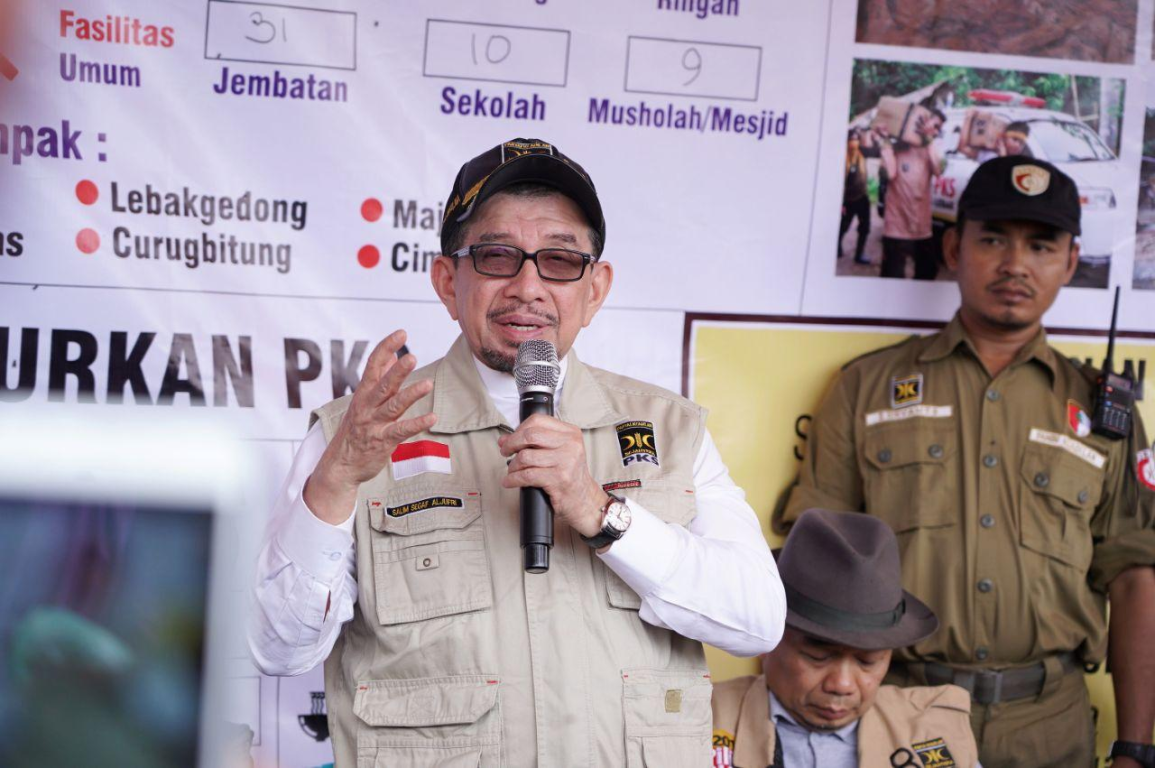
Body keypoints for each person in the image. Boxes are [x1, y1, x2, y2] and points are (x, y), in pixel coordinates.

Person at [248, 137, 787, 766]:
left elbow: (757, 621)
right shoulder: (357, 436)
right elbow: (278, 650)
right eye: (498, 256)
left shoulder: (669, 431)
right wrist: (336, 480)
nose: (528, 286)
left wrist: (601, 512)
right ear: (448, 281)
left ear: (596, 287)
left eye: (559, 260)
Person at [779, 156, 1155, 768]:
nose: (1015, 265)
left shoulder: (1102, 407)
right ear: (954, 248)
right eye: (992, 241)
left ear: (1069, 259)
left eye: (1040, 245)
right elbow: (809, 570)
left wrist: (1137, 747)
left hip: (1049, 727)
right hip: (897, 715)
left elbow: (1137, 578)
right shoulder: (866, 389)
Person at [712, 508, 980, 768]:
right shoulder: (697, 721)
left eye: (868, 661)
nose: (842, 684)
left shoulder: (934, 728)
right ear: (766, 636)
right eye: (819, 657)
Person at [876, 108, 945, 280]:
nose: (936, 131)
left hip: (922, 228)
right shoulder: (897, 148)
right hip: (896, 228)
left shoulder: (931, 150)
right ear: (920, 121)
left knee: (928, 272)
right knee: (892, 275)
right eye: (935, 125)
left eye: (938, 129)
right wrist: (885, 143)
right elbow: (889, 174)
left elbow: (938, 169)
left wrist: (928, 139)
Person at [839, 129, 873, 265]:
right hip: (848, 199)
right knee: (843, 226)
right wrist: (840, 203)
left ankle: (859, 254)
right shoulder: (842, 158)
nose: (854, 142)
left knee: (865, 227)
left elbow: (873, 148)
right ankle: (836, 248)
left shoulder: (862, 154)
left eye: (856, 139)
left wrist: (867, 133)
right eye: (851, 139)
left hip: (862, 197)